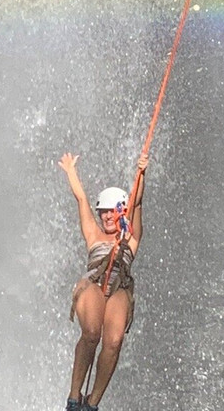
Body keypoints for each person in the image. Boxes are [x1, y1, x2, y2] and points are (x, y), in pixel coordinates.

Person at [57, 151, 148, 411]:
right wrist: (71, 172)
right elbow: (82, 199)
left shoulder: (130, 238)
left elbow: (137, 204)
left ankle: (92, 403)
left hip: (119, 287)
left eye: (112, 212)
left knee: (114, 341)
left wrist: (142, 173)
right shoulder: (94, 234)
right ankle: (74, 397)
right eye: (104, 213)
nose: (107, 217)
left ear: (123, 213)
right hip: (94, 285)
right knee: (92, 333)